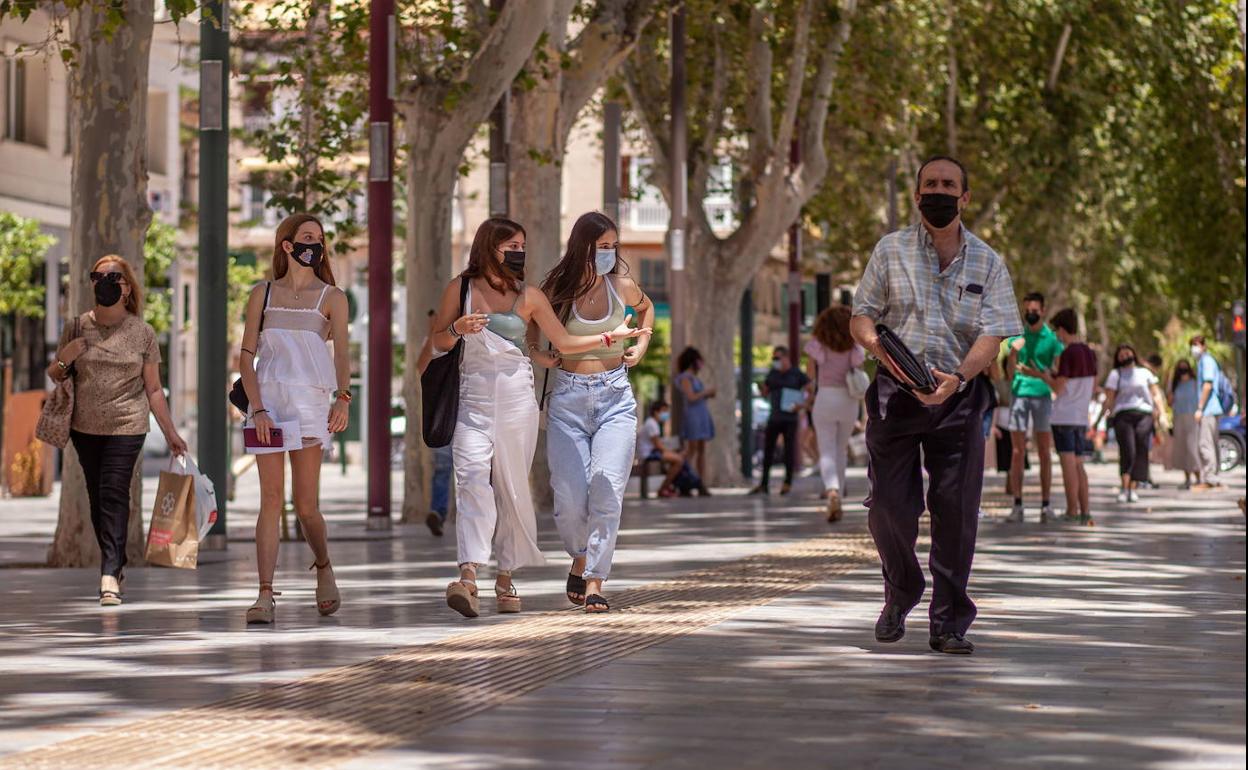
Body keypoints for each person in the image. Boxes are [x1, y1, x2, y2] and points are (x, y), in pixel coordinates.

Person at [430, 217, 647, 618]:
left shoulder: (528, 295)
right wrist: (458, 329)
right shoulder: (459, 289)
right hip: (476, 397)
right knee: (473, 478)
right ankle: (469, 574)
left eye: (522, 246)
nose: (518, 253)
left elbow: (563, 339)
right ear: (487, 247)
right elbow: (437, 340)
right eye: (510, 246)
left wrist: (615, 340)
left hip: (522, 399)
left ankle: (512, 573)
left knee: (520, 486)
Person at [851, 155, 1022, 655]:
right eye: (931, 184)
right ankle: (902, 590)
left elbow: (994, 333)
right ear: (917, 194)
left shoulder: (988, 262)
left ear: (965, 197)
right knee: (888, 509)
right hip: (895, 396)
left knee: (956, 511)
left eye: (949, 185)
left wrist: (959, 378)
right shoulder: (890, 250)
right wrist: (885, 352)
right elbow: (862, 317)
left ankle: (948, 622)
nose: (939, 192)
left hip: (960, 399)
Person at [47, 256, 188, 606]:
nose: (106, 282)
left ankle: (108, 574)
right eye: (99, 276)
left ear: (127, 286)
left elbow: (154, 389)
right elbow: (56, 373)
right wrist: (66, 356)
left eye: (114, 277)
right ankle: (117, 563)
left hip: (128, 425)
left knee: (114, 493)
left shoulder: (142, 332)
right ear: (92, 283)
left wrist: (170, 432)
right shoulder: (77, 327)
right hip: (84, 427)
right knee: (98, 500)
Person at [537, 211, 656, 614]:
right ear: (581, 245)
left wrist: (641, 346)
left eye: (612, 246)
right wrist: (541, 355)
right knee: (569, 496)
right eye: (601, 246)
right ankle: (580, 554)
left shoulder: (621, 283)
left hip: (615, 397)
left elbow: (647, 309)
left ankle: (595, 581)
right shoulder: (557, 288)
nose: (608, 253)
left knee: (607, 490)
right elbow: (541, 338)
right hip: (567, 399)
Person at [237, 214, 351, 624]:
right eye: (307, 238)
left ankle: (323, 565)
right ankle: (265, 594)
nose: (315, 245)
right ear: (287, 245)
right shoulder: (261, 294)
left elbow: (342, 356)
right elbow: (246, 356)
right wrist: (259, 408)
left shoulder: (333, 298)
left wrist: (344, 399)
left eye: (319, 239)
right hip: (268, 406)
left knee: (306, 507)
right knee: (270, 501)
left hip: (310, 407)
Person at [1019, 308, 1096, 525]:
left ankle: (1072, 510)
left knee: (1068, 465)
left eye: (1056, 331)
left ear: (1062, 329)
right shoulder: (1089, 353)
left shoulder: (1068, 352)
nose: (1056, 336)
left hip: (1064, 416)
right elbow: (1092, 384)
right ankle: (1085, 511)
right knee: (1079, 464)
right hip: (1080, 416)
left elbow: (1059, 388)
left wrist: (1042, 375)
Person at [1005, 292, 1062, 523]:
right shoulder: (1017, 336)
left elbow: (1056, 372)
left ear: (1043, 311)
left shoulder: (1052, 340)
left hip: (1043, 397)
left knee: (1044, 452)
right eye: (1027, 309)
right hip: (1019, 394)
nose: (1030, 313)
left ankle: (1046, 505)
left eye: (1035, 310)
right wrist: (1013, 352)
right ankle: (1017, 505)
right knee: (1017, 452)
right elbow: (1010, 376)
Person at [804, 305, 865, 521]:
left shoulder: (817, 345)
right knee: (840, 449)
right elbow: (860, 364)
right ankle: (839, 490)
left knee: (826, 449)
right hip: (848, 399)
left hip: (825, 398)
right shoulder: (852, 345)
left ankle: (832, 490)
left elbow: (810, 374)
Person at [1092, 344, 1164, 503]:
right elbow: (1109, 400)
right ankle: (1124, 487)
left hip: (1144, 415)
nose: (1125, 356)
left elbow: (1156, 394)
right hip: (1123, 415)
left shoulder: (1144, 373)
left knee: (1141, 449)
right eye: (1121, 355)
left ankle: (1134, 488)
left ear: (1134, 354)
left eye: (1127, 353)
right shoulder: (1115, 375)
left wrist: (1162, 414)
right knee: (1128, 450)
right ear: (1117, 358)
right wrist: (1099, 419)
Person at [749, 346, 812, 496]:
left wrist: (803, 405)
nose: (775, 361)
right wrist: (763, 388)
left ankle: (787, 483)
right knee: (768, 450)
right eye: (773, 359)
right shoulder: (773, 373)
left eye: (777, 358)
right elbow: (765, 392)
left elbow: (811, 390)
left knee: (789, 451)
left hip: (790, 418)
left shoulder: (796, 374)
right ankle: (764, 484)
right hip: (774, 417)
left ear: (785, 358)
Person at [416, 309, 454, 536]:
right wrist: (433, 333)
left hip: (473, 407)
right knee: (442, 465)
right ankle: (438, 513)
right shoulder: (433, 341)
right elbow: (420, 368)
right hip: (444, 412)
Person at [674, 347, 715, 492]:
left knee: (701, 450)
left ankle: (700, 482)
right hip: (693, 416)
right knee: (692, 449)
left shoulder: (694, 377)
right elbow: (691, 397)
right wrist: (706, 392)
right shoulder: (685, 377)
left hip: (701, 414)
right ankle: (685, 479)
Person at [637, 400, 695, 497]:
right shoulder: (652, 424)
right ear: (656, 412)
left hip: (651, 451)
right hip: (648, 454)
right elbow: (657, 445)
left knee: (678, 459)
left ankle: (671, 486)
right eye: (664, 411)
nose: (666, 414)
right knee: (679, 460)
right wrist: (674, 453)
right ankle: (663, 488)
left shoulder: (652, 423)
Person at [1190, 335, 1226, 491]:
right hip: (1213, 409)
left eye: (1196, 344)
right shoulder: (1204, 361)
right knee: (1211, 443)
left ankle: (1210, 479)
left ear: (1204, 346)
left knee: (1205, 444)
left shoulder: (1206, 361)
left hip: (1209, 409)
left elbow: (1208, 385)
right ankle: (1215, 479)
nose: (1194, 348)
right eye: (1192, 345)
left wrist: (1199, 408)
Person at [1166, 359, 1202, 488]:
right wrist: (1169, 382)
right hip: (1178, 418)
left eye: (1184, 367)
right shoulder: (1176, 384)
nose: (1183, 369)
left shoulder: (1195, 383)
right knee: (1182, 448)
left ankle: (1199, 478)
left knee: (1193, 448)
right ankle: (1187, 479)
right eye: (1180, 367)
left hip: (1193, 418)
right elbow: (1169, 402)